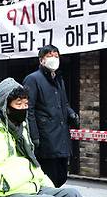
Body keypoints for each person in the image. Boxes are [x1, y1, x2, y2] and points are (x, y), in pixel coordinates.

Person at [24, 45, 79, 188]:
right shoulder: (33, 79)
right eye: (49, 56)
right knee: (48, 177)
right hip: (45, 137)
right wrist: (34, 135)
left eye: (56, 56)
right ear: (41, 60)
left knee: (61, 176)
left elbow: (64, 103)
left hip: (61, 136)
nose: (54, 59)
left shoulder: (59, 79)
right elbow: (28, 110)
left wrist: (72, 114)